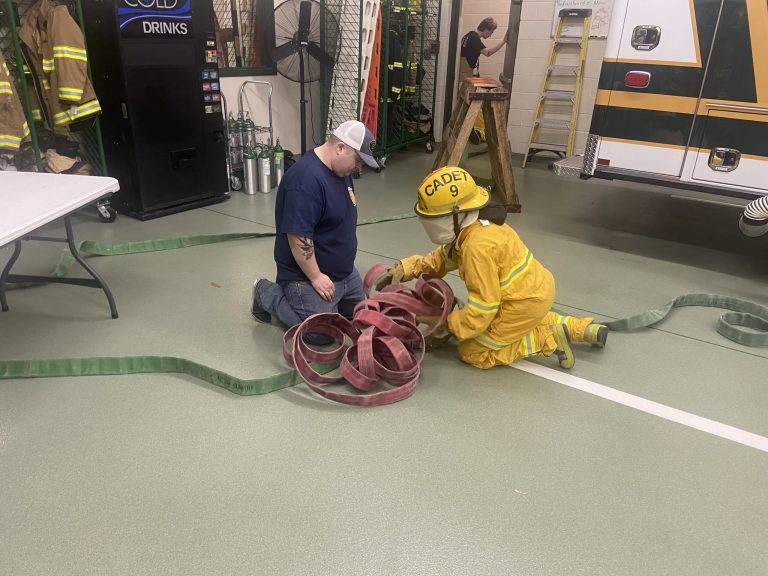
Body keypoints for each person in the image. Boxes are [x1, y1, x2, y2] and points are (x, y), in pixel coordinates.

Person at [374, 166, 608, 370]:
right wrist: (406, 268)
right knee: (520, 319)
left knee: (472, 351)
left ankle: (547, 339)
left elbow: (483, 308)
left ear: (456, 214)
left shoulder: (476, 248)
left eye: (435, 218)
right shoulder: (473, 227)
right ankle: (582, 329)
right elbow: (443, 259)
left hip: (519, 304)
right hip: (534, 292)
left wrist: (447, 324)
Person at [251, 120, 378, 343]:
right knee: (322, 334)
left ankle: (328, 305)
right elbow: (298, 237)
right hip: (305, 276)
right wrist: (316, 277)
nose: (358, 168)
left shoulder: (340, 170)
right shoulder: (305, 180)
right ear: (340, 148)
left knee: (364, 320)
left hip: (344, 273)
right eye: (357, 161)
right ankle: (265, 292)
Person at [459, 18, 508, 144]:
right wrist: (504, 41)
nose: (490, 35)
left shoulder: (467, 36)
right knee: (473, 103)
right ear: (486, 29)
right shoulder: (475, 39)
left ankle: (472, 130)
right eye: (491, 32)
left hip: (464, 72)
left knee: (467, 103)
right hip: (466, 73)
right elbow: (488, 52)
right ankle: (474, 131)